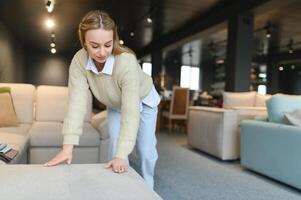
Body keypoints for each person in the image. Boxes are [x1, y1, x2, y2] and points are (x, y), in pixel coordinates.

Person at [44, 10, 161, 189]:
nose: (102, 52)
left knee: (145, 152)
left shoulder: (126, 62)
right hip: (115, 103)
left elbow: (130, 112)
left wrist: (123, 154)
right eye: (94, 46)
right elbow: (76, 105)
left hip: (143, 101)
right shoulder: (79, 61)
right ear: (84, 42)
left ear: (114, 39)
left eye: (108, 44)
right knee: (115, 150)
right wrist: (68, 147)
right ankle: (122, 189)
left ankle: (148, 188)